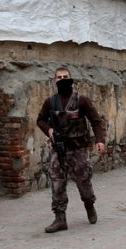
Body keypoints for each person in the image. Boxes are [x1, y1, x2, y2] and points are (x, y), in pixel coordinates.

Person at [36, 67, 106, 233]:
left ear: (71, 78)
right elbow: (40, 120)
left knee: (84, 182)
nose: (62, 79)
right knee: (57, 182)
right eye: (59, 77)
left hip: (78, 150)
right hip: (59, 150)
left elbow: (95, 121)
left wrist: (100, 140)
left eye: (65, 76)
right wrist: (50, 130)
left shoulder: (81, 100)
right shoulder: (50, 102)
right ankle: (60, 218)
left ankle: (89, 205)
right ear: (55, 81)